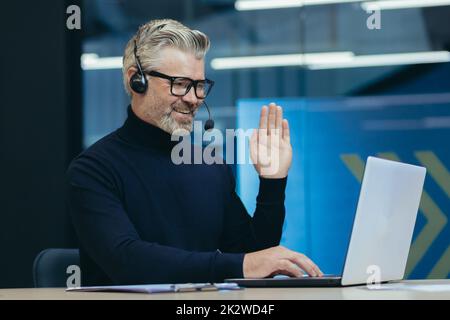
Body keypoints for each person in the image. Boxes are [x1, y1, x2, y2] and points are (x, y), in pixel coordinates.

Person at [67, 18, 323, 286]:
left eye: (199, 86)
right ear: (136, 81)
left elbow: (254, 256)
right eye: (179, 83)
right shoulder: (93, 170)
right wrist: (241, 264)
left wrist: (272, 182)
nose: (193, 98)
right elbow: (128, 262)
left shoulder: (208, 165)